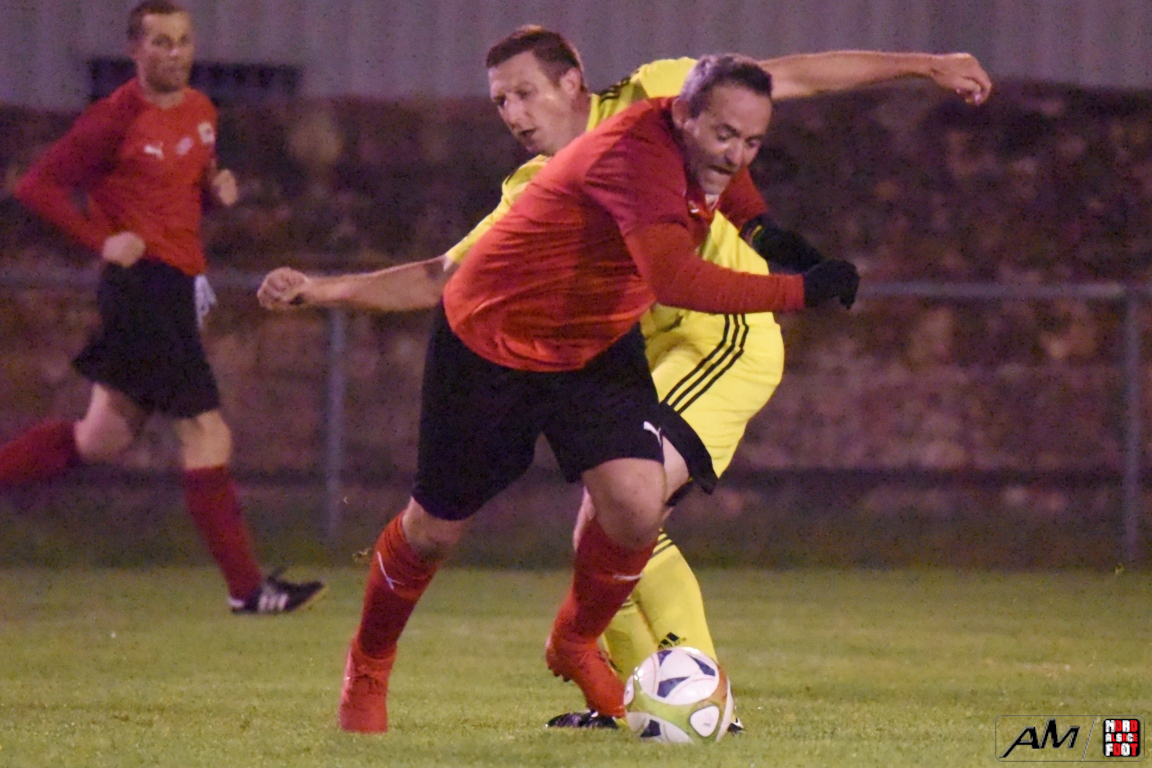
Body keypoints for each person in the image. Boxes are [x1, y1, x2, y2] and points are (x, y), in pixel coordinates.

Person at [258, 28, 991, 729]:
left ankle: (675, 691)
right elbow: (445, 276)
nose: (512, 113)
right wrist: (322, 290)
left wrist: (922, 66)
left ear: (572, 82)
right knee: (436, 532)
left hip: (664, 342)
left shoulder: (665, 95)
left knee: (634, 505)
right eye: (500, 101)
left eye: (524, 92)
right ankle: (373, 665)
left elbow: (782, 85)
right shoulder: (552, 178)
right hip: (497, 349)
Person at [6, 0, 324, 615]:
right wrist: (101, 240)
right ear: (135, 50)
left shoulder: (203, 110)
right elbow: (36, 185)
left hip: (175, 287)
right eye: (160, 42)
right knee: (207, 431)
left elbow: (177, 196)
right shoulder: (113, 117)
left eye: (183, 41)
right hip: (141, 289)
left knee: (99, 439)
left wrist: (214, 194)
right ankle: (247, 590)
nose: (174, 53)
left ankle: (247, 590)